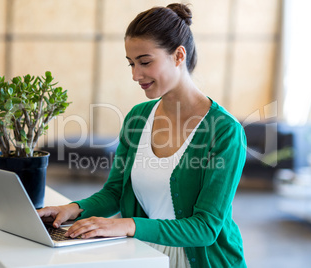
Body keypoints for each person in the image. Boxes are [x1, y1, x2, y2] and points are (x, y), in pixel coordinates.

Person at [38, 3, 247, 267]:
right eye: (132, 64)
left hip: (202, 260)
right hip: (144, 255)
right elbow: (115, 191)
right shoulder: (138, 118)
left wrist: (127, 225)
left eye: (145, 62)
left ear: (179, 56)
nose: (136, 75)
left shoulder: (225, 131)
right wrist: (71, 209)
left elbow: (205, 228)